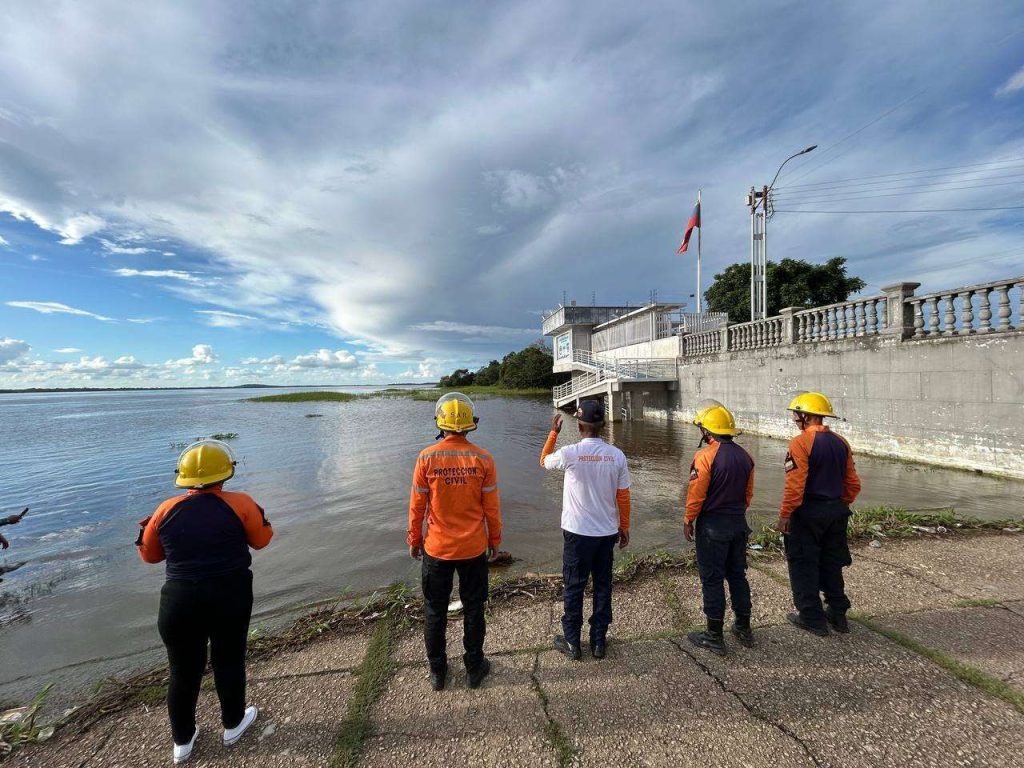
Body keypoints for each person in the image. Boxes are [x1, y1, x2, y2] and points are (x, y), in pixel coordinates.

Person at [137, 439, 273, 764]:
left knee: (182, 670)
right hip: (229, 595)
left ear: (184, 478)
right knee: (228, 659)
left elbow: (150, 556)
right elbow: (262, 540)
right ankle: (233, 724)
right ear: (225, 474)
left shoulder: (165, 509)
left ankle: (182, 741)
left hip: (179, 600)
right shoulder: (240, 503)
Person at [408, 392, 502, 692]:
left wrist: (414, 538)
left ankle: (438, 671)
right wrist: (495, 540)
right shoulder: (483, 458)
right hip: (473, 548)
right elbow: (492, 508)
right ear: (469, 424)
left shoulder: (426, 457)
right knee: (474, 608)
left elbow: (417, 506)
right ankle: (474, 667)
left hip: (436, 549)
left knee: (435, 611)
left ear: (441, 422)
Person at [540, 400, 631, 661]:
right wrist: (624, 526)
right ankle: (598, 641)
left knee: (574, 587)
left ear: (579, 426)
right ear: (602, 425)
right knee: (603, 586)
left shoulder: (570, 453)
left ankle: (572, 642)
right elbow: (623, 496)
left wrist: (553, 432)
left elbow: (543, 461)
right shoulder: (616, 455)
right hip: (606, 533)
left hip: (577, 534)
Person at [776, 392, 861, 636]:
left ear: (807, 415)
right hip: (836, 512)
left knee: (803, 563)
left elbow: (795, 485)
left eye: (796, 413)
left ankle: (812, 618)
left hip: (807, 513)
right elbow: (853, 483)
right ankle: (838, 614)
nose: (793, 418)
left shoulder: (800, 443)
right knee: (832, 563)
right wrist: (838, 504)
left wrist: (785, 515)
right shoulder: (841, 442)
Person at [684, 402, 755, 656]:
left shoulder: (704, 457)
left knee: (712, 579)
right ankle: (744, 628)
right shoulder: (746, 456)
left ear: (707, 431)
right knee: (737, 575)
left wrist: (688, 519)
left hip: (712, 527)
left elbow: (696, 494)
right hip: (738, 524)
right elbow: (748, 495)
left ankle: (714, 635)